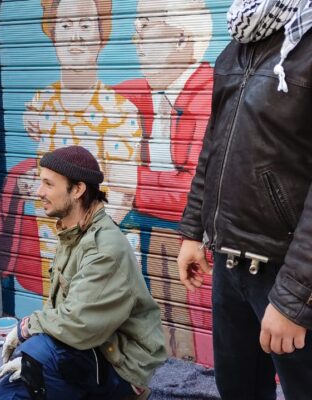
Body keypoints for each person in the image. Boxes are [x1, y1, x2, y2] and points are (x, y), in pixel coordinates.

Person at [178, 0, 312, 399]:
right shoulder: (238, 44)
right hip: (229, 263)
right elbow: (214, 144)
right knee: (237, 390)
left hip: (288, 270)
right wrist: (192, 230)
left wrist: (294, 298)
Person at [0, 146, 167, 400]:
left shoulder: (103, 248)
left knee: (23, 376)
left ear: (77, 190)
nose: (39, 192)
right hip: (92, 347)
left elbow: (77, 322)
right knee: (26, 371)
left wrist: (26, 328)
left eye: (48, 184)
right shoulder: (74, 232)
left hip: (120, 367)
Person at [0, 0, 141, 299]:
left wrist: (86, 246)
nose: (75, 36)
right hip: (53, 248)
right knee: (59, 315)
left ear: (101, 34)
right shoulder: (39, 104)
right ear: (52, 33)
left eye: (86, 25)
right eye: (65, 25)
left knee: (95, 319)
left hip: (100, 253)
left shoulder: (120, 111)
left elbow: (123, 194)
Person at [113, 0, 214, 363]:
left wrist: (128, 180)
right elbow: (94, 112)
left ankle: (192, 366)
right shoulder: (139, 93)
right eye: (135, 26)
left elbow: (194, 190)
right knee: (160, 311)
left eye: (146, 25)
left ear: (182, 38)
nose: (135, 37)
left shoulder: (210, 95)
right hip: (153, 232)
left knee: (192, 322)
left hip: (196, 239)